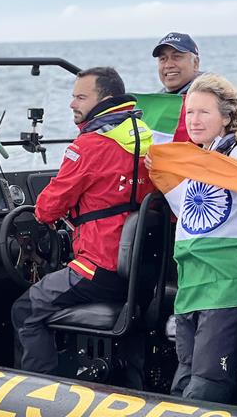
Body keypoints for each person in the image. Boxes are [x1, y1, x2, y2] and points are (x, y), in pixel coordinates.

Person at [11, 67, 155, 374]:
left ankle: (36, 391)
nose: (72, 104)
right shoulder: (144, 136)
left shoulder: (90, 145)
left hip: (97, 268)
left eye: (80, 97)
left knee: (25, 310)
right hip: (138, 273)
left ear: (105, 99)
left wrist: (42, 216)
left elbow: (48, 209)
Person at [149, 73, 237, 403]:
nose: (194, 120)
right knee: (185, 372)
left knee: (207, 382)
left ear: (227, 117)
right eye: (189, 112)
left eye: (204, 112)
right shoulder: (197, 159)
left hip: (228, 285)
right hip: (195, 280)